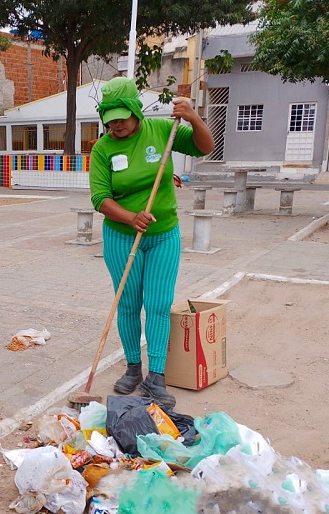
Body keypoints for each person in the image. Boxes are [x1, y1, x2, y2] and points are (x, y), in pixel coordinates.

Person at [89, 77, 214, 408]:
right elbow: (99, 198)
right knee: (128, 303)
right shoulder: (102, 149)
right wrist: (130, 217)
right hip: (121, 237)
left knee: (158, 303)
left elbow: (205, 147)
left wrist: (194, 118)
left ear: (135, 110)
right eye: (110, 119)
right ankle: (133, 368)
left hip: (163, 235)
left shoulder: (162, 131)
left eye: (121, 117)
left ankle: (155, 375)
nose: (115, 125)